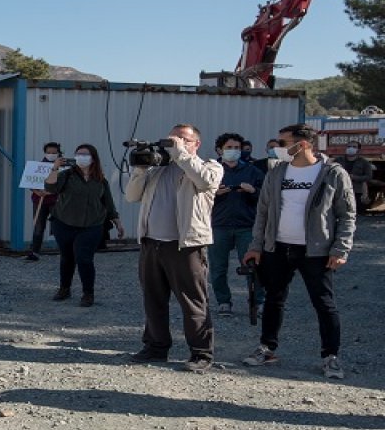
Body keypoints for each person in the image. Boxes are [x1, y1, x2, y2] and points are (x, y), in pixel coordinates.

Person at [242, 124, 355, 380]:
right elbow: (263, 212)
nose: (277, 148)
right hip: (278, 247)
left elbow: (347, 215)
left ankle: (331, 357)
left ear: (302, 144)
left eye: (283, 143)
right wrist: (256, 246)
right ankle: (267, 348)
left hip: (316, 251)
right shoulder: (277, 172)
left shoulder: (332, 173)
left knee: (324, 303)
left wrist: (340, 248)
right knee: (274, 299)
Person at [125, 124, 221, 372]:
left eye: (183, 139)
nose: (176, 142)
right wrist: (140, 169)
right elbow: (132, 196)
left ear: (196, 144)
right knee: (153, 299)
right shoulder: (158, 171)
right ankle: (156, 347)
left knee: (192, 301)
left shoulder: (210, 166)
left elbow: (203, 180)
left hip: (186, 246)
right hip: (151, 243)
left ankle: (201, 353)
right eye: (172, 139)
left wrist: (181, 153)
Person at [42, 144, 122, 306]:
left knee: (84, 258)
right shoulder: (66, 175)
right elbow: (50, 187)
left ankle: (88, 293)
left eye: (85, 154)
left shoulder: (100, 179)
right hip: (64, 222)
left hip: (91, 224)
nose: (81, 157)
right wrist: (55, 169)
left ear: (93, 158)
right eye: (78, 154)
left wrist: (117, 222)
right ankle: (64, 288)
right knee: (67, 258)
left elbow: (108, 202)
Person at [209, 132, 265, 317]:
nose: (233, 151)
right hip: (219, 225)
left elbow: (266, 197)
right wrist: (214, 194)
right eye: (229, 148)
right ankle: (224, 302)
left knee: (253, 266)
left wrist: (253, 191)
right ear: (219, 150)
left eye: (237, 148)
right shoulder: (211, 170)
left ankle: (257, 302)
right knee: (218, 267)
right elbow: (197, 196)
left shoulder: (253, 170)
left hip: (246, 226)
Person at [27, 142, 63, 261]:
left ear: (58, 153)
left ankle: (65, 252)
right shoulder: (37, 166)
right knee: (38, 226)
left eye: (54, 153)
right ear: (44, 153)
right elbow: (30, 182)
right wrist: (38, 192)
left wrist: (50, 192)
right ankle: (35, 252)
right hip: (39, 200)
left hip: (56, 201)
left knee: (59, 227)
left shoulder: (63, 168)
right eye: (48, 152)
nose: (51, 155)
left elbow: (64, 185)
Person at [338, 140, 374, 213]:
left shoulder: (364, 162)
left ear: (358, 150)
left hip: (357, 191)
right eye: (349, 146)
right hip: (341, 190)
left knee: (357, 211)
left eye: (354, 147)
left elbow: (369, 177)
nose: (351, 148)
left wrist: (354, 177)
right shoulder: (339, 160)